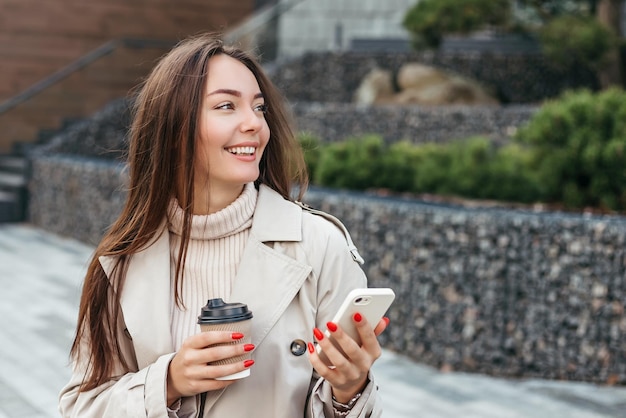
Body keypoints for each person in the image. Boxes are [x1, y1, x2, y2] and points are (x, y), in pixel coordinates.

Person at [59, 33, 389, 418]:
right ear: (174, 127)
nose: (254, 124)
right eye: (227, 106)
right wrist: (167, 382)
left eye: (260, 107)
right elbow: (83, 406)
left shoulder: (320, 246)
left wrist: (349, 390)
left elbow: (354, 402)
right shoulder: (122, 261)